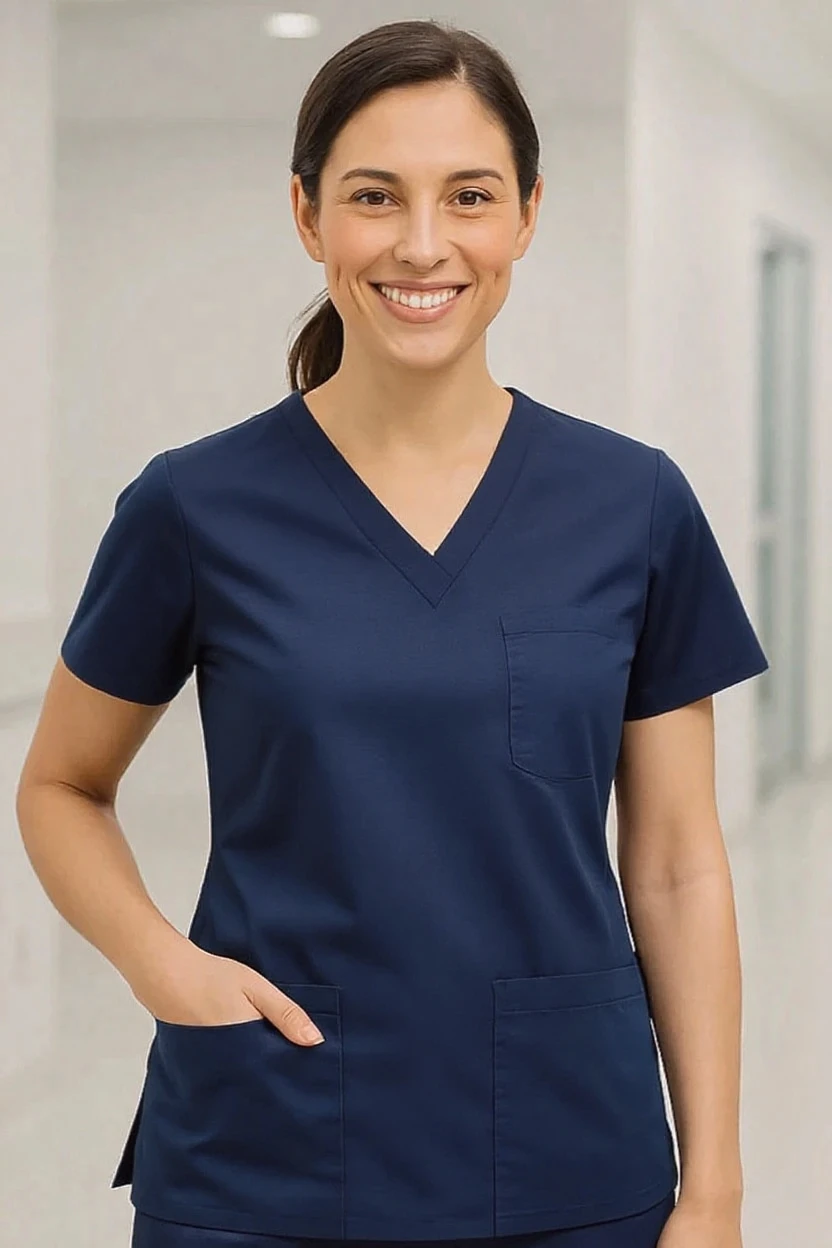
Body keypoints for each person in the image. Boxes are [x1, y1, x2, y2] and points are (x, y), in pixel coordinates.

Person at [15, 18, 768, 1248]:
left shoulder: (632, 505)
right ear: (309, 217)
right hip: (265, 1158)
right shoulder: (194, 507)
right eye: (375, 196)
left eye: (468, 195)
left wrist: (717, 1187)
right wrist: (161, 965)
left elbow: (679, 865)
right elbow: (59, 784)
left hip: (568, 1156)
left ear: (526, 213)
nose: (424, 244)